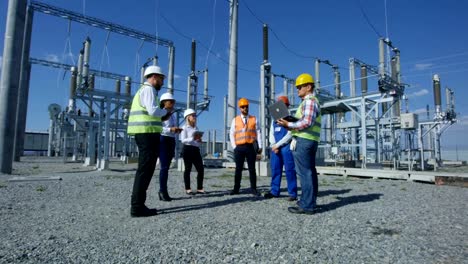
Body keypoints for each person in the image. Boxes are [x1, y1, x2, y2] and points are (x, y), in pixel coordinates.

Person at [127, 65, 172, 217]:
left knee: (145, 170)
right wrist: (165, 112)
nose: (162, 82)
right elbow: (153, 111)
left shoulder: (145, 90)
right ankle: (137, 207)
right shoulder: (149, 90)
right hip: (146, 134)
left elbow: (151, 112)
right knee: (145, 170)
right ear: (154, 77)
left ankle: (138, 205)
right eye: (161, 79)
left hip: (146, 134)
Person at [277, 73, 321, 214]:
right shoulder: (310, 102)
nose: (297, 90)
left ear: (308, 87)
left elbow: (307, 122)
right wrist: (289, 124)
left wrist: (289, 123)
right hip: (309, 140)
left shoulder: (309, 101)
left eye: (300, 87)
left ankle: (307, 205)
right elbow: (305, 121)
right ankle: (310, 201)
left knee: (305, 173)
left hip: (304, 140)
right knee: (310, 172)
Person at [264, 96, 297, 201]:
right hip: (276, 149)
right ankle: (274, 191)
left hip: (286, 148)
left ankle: (292, 193)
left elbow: (290, 134)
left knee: (290, 170)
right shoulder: (274, 120)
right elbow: (271, 134)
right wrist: (274, 145)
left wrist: (277, 145)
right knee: (275, 170)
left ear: (287, 107)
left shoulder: (291, 119)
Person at [229, 98, 262, 196]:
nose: (245, 108)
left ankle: (253, 189)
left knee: (252, 169)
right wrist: (234, 146)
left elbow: (258, 133)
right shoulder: (235, 120)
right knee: (238, 169)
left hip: (250, 147)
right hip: (239, 147)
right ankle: (236, 189)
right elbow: (231, 134)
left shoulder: (254, 119)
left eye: (246, 106)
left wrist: (260, 146)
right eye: (243, 107)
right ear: (240, 108)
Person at [158, 92, 183, 202]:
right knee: (164, 167)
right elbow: (157, 127)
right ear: (164, 102)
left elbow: (170, 127)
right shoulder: (159, 113)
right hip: (163, 139)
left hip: (171, 139)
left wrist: (176, 130)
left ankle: (164, 191)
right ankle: (162, 191)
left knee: (166, 167)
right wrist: (170, 130)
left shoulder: (172, 115)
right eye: (170, 102)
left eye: (173, 102)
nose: (173, 104)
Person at [180, 108, 205, 195]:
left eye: (195, 115)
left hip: (195, 150)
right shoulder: (184, 128)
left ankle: (200, 188)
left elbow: (195, 141)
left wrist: (199, 141)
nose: (195, 117)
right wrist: (192, 138)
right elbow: (183, 140)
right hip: (187, 149)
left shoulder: (196, 127)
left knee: (201, 169)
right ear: (187, 117)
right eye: (193, 115)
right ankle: (188, 189)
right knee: (188, 169)